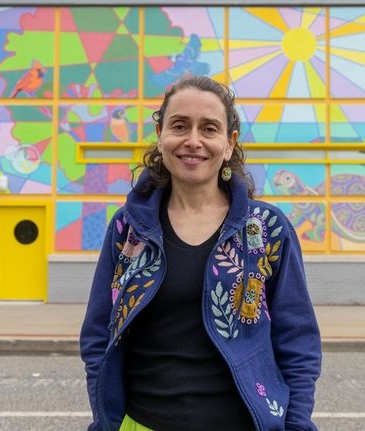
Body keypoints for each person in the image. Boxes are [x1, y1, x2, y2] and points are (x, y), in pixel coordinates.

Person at [80, 76, 322, 431]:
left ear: (229, 143)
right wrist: (105, 419)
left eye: (209, 128)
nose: (193, 140)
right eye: (180, 126)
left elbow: (297, 342)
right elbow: (98, 334)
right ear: (161, 135)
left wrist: (297, 426)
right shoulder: (128, 228)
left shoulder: (265, 228)